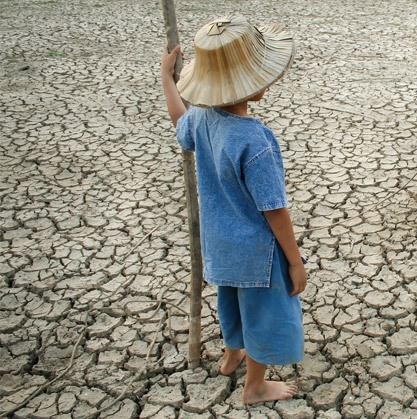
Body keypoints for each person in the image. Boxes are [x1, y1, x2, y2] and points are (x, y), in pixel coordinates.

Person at [159, 15, 306, 405]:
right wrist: (294, 260)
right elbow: (275, 209)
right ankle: (255, 386)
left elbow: (180, 122)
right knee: (262, 313)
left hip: (219, 245)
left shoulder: (203, 120)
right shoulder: (255, 140)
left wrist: (167, 80)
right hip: (257, 251)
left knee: (232, 303)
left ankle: (230, 357)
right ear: (254, 83)